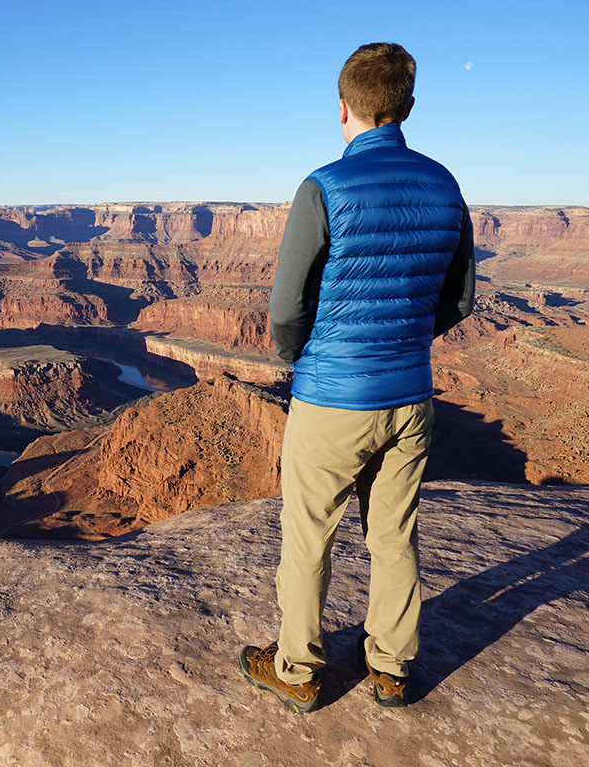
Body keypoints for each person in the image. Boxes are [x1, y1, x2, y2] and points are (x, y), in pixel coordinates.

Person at [239, 42, 475, 712]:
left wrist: (304, 359)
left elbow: (287, 308)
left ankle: (297, 670)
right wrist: (404, 342)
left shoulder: (325, 186)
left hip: (334, 398)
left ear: (343, 107)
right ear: (407, 106)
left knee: (309, 532)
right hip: (411, 396)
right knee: (395, 532)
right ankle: (392, 669)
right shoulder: (443, 184)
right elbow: (460, 299)